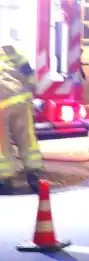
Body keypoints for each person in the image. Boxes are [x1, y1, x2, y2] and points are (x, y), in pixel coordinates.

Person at [0, 45, 45, 194]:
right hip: (22, 101)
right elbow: (28, 71)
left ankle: (5, 181)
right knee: (27, 139)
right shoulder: (9, 49)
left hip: (1, 105)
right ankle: (34, 174)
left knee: (2, 145)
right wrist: (33, 88)